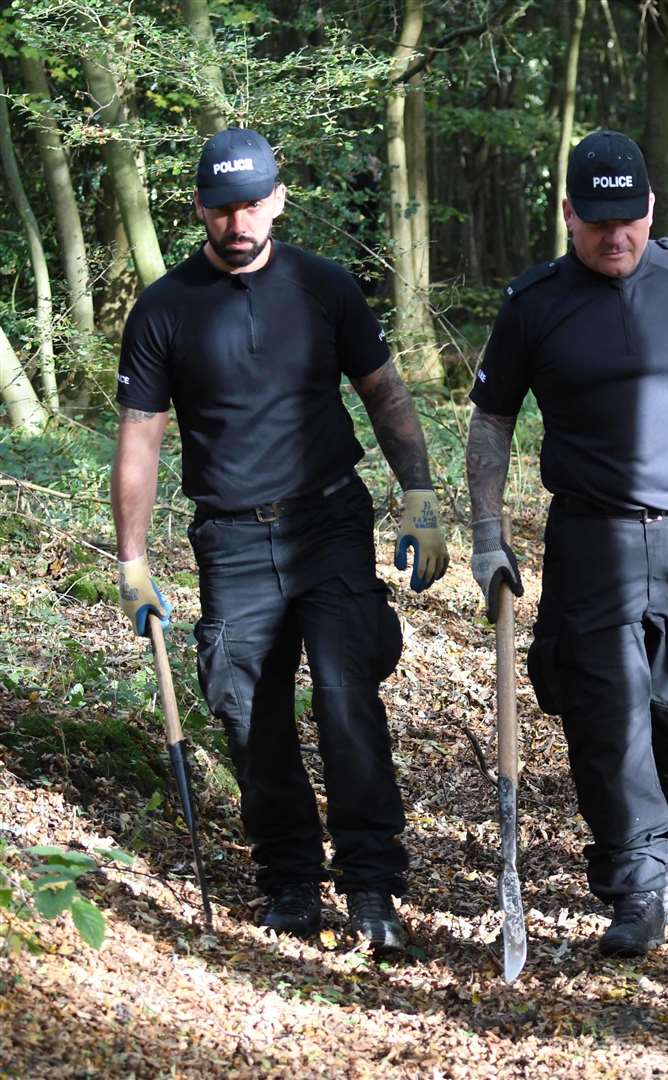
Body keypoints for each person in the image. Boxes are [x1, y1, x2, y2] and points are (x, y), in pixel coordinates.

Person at [464, 130, 668, 958]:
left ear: (651, 208)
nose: (617, 239)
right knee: (605, 712)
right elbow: (492, 420)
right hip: (592, 538)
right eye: (598, 223)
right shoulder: (534, 303)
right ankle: (638, 880)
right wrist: (486, 534)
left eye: (631, 221)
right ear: (569, 212)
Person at [112, 127, 449, 952]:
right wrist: (131, 560)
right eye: (223, 208)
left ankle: (372, 886)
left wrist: (420, 497)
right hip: (229, 540)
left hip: (329, 522)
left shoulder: (326, 288)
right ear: (199, 207)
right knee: (245, 711)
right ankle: (291, 881)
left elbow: (385, 393)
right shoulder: (164, 309)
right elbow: (141, 440)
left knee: (345, 699)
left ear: (279, 199)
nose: (238, 222)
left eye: (253, 204)